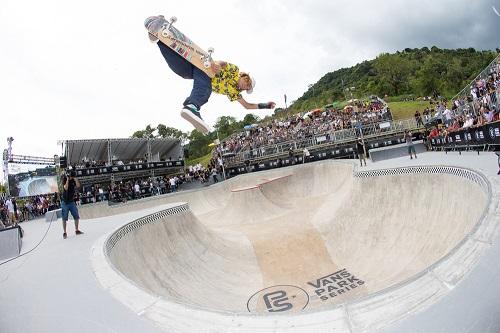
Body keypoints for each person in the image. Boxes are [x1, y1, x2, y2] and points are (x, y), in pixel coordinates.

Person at [144, 15, 276, 134]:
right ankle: (192, 106)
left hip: (192, 73)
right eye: (246, 84)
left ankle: (160, 37)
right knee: (207, 83)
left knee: (179, 69)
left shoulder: (234, 93)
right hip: (205, 67)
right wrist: (216, 65)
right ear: (244, 77)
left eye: (246, 89)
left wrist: (265, 105)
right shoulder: (235, 70)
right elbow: (223, 64)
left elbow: (247, 106)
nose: (243, 87)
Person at [61, 170, 83, 239]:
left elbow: (78, 186)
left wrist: (75, 179)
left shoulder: (74, 180)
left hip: (71, 201)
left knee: (76, 216)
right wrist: (67, 179)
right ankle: (64, 232)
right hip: (65, 202)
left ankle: (77, 230)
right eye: (72, 176)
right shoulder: (65, 179)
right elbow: (66, 188)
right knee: (64, 218)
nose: (72, 178)